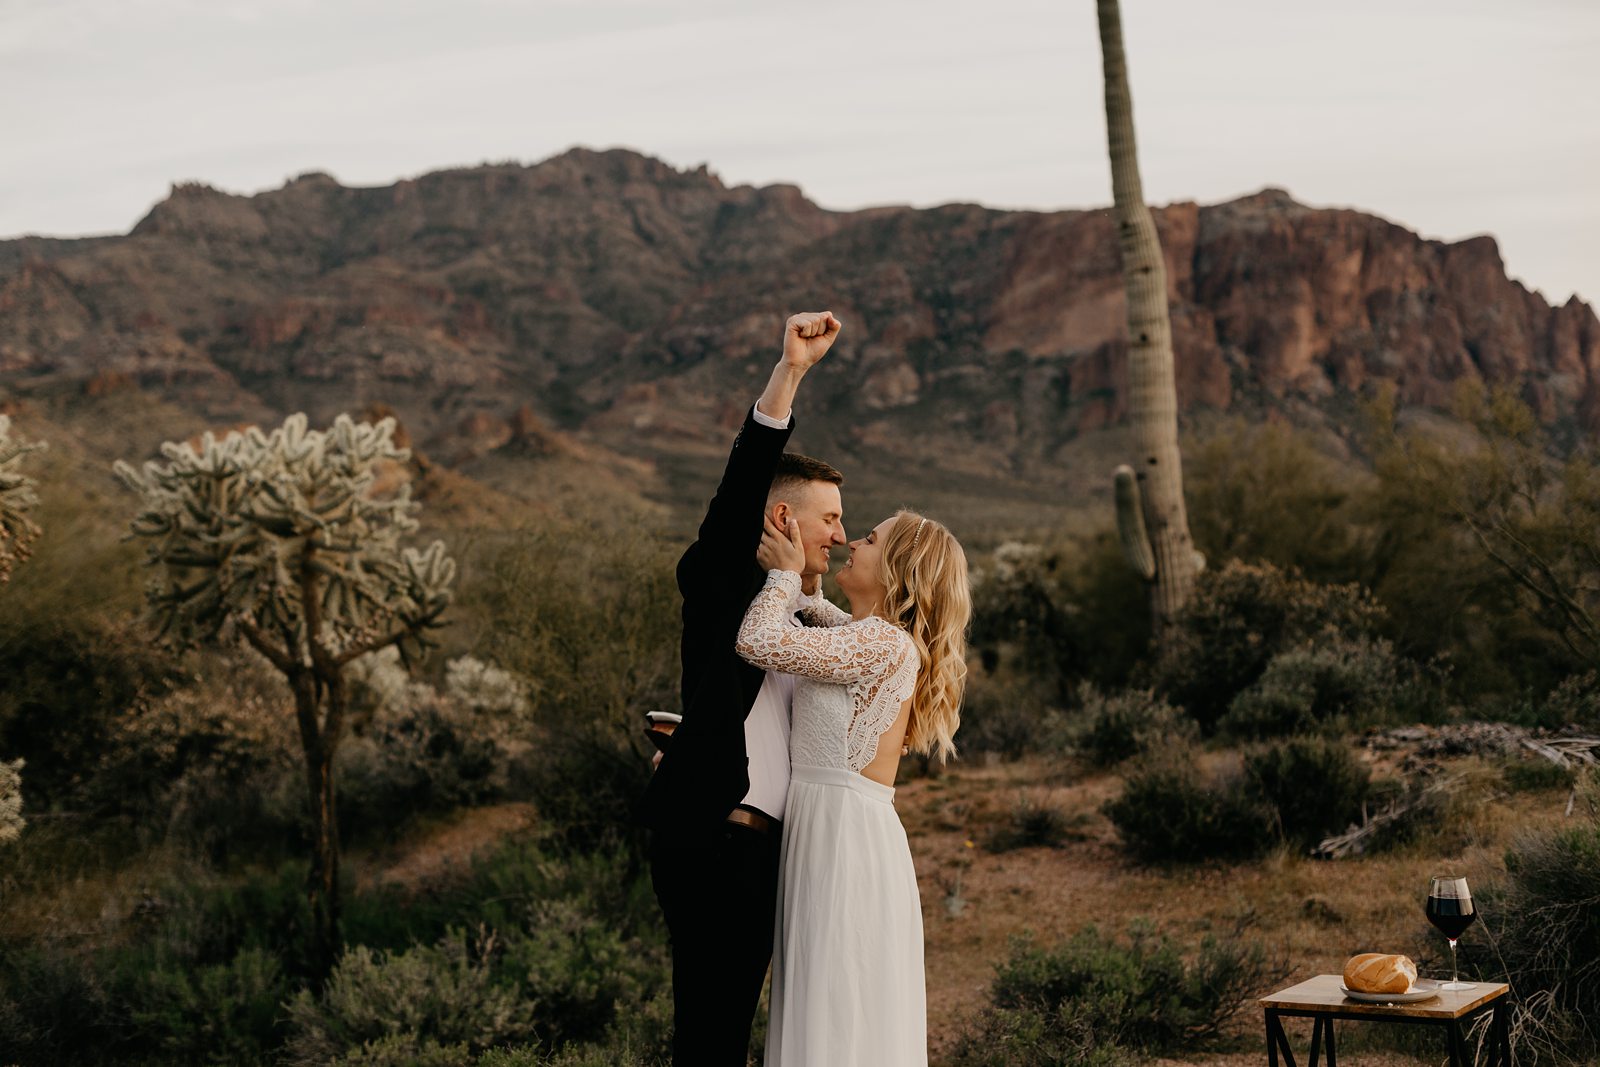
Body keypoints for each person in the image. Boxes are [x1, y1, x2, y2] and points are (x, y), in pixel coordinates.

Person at [638, 310, 847, 1066]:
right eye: (829, 518)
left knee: (736, 1034)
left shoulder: (815, 621)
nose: (840, 535)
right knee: (712, 1032)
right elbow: (736, 500)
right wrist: (789, 374)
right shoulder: (725, 581)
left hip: (772, 856)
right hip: (716, 837)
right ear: (784, 515)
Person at [736, 507, 971, 1067]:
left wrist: (784, 577)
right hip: (833, 829)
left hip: (843, 841)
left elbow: (757, 640)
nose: (851, 543)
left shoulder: (883, 645)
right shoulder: (870, 637)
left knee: (837, 1000)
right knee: (828, 995)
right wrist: (803, 581)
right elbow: (821, 619)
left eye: (868, 539)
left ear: (897, 571)